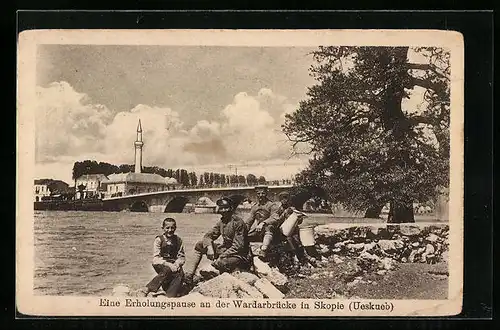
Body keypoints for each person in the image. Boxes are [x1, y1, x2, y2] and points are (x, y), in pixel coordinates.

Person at [184, 197, 251, 284]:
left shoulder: (238, 222)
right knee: (199, 245)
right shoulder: (222, 222)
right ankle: (189, 275)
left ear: (231, 208)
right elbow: (208, 236)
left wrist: (222, 256)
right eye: (221, 208)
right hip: (226, 251)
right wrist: (209, 248)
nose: (223, 210)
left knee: (222, 263)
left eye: (226, 207)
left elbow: (238, 246)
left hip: (239, 255)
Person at [141, 217, 186, 297]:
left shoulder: (178, 240)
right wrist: (168, 264)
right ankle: (148, 288)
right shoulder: (159, 240)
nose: (170, 230)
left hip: (174, 263)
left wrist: (177, 264)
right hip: (161, 263)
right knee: (167, 270)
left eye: (172, 228)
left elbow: (181, 256)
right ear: (163, 228)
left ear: (175, 228)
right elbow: (155, 258)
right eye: (167, 228)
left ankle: (170, 295)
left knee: (180, 273)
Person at [271, 191, 315, 267]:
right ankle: (296, 257)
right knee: (289, 238)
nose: (285, 200)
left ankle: (303, 256)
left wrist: (299, 218)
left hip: (293, 230)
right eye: (282, 198)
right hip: (282, 230)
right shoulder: (278, 209)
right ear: (280, 200)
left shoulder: (293, 209)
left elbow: (299, 221)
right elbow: (276, 219)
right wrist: (284, 213)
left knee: (296, 238)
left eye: (286, 198)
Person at [244, 185, 281, 259]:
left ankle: (264, 250)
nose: (260, 196)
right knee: (244, 235)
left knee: (268, 227)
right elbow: (249, 221)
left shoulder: (272, 205)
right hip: (259, 231)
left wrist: (263, 223)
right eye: (258, 194)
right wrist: (243, 230)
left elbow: (275, 218)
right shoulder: (255, 207)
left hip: (272, 231)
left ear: (266, 194)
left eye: (263, 193)